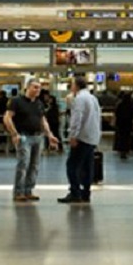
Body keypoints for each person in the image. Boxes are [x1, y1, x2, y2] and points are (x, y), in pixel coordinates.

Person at [3, 78, 59, 203]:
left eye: (39, 88)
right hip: (24, 137)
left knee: (34, 165)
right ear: (27, 88)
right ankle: (18, 192)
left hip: (38, 137)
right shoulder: (16, 101)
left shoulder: (39, 103)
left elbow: (43, 120)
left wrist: (49, 135)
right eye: (35, 87)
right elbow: (7, 118)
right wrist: (14, 134)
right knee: (23, 164)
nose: (38, 90)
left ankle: (28, 190)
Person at [58, 76, 102, 204]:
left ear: (76, 86)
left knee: (72, 165)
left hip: (82, 137)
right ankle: (86, 193)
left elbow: (76, 118)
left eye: (72, 84)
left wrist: (73, 135)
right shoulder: (93, 98)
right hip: (91, 137)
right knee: (87, 167)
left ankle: (75, 192)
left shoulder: (80, 99)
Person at [113, 92, 133, 160]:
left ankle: (121, 150)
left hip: (120, 123)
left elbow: (116, 113)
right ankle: (126, 150)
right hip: (128, 123)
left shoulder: (120, 104)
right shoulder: (131, 105)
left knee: (121, 137)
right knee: (127, 137)